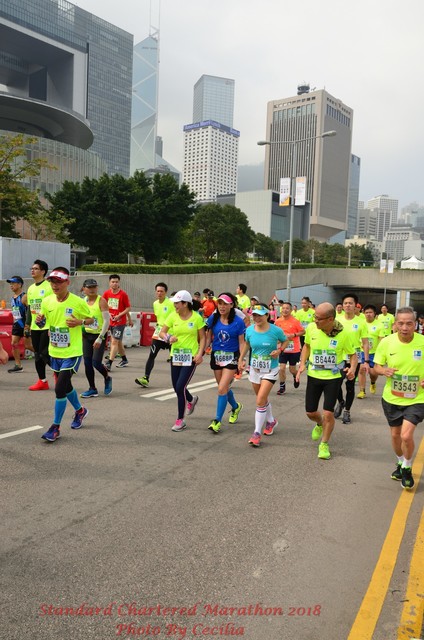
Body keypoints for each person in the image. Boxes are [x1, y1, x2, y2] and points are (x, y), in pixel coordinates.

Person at [36, 267, 95, 443]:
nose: (55, 285)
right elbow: (43, 322)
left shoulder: (77, 302)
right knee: (66, 385)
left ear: (67, 282)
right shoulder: (47, 301)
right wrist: (40, 321)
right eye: (52, 282)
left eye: (59, 282)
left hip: (72, 352)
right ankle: (80, 411)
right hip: (55, 351)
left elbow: (92, 320)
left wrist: (80, 322)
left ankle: (55, 427)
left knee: (60, 388)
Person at [296, 303, 357, 460]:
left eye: (319, 318)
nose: (315, 320)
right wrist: (302, 364)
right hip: (314, 375)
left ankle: (324, 444)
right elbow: (306, 346)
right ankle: (319, 423)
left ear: (330, 319)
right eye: (314, 317)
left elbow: (352, 355)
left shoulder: (343, 333)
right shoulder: (311, 328)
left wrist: (352, 369)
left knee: (328, 413)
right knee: (310, 412)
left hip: (333, 378)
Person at [373, 306, 424, 490]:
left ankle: (408, 468)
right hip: (392, 397)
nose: (404, 327)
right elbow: (376, 366)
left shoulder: (422, 342)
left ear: (415, 324)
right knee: (395, 435)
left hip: (417, 398)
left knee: (406, 435)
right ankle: (401, 462)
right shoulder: (386, 342)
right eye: (401, 323)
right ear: (395, 324)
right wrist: (383, 370)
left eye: (409, 323)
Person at [238, 302, 288, 447]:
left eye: (260, 315)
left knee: (260, 400)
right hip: (255, 370)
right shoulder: (249, 330)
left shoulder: (275, 330)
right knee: (262, 398)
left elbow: (285, 341)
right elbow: (247, 344)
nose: (257, 318)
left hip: (270, 370)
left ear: (267, 315)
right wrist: (241, 359)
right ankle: (271, 421)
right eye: (254, 315)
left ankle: (256, 433)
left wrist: (279, 351)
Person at [159, 290, 206, 432]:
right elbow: (162, 332)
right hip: (176, 356)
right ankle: (191, 399)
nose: (175, 306)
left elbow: (203, 337)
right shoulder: (173, 316)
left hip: (190, 357)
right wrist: (168, 338)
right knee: (177, 387)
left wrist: (200, 354)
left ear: (185, 304)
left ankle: (180, 420)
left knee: (180, 387)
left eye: (177, 303)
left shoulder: (196, 318)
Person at [205, 292, 245, 433]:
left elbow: (242, 342)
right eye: (220, 303)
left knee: (222, 388)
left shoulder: (238, 322)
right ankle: (235, 407)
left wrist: (241, 359)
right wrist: (203, 350)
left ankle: (217, 421)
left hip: (231, 357)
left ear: (231, 305)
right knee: (224, 388)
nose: (222, 306)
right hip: (216, 355)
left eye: (225, 304)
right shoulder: (214, 318)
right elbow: (209, 336)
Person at [334, 293, 369, 424]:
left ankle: (347, 411)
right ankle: (340, 402)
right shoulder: (336, 320)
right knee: (336, 383)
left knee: (350, 385)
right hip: (339, 357)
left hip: (354, 358)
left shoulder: (361, 322)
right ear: (342, 305)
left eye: (350, 303)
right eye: (345, 303)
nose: (348, 305)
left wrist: (366, 361)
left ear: (355, 306)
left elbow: (365, 342)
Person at [135, 282, 173, 388]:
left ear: (166, 292)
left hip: (171, 333)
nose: (159, 293)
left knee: (174, 358)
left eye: (161, 291)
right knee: (152, 355)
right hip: (159, 333)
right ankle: (146, 378)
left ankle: (178, 378)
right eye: (158, 291)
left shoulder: (171, 303)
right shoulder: (155, 303)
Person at [80, 278, 112, 398]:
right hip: (86, 335)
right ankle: (92, 388)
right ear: (84, 289)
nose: (92, 289)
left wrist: (100, 337)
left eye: (94, 287)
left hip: (99, 335)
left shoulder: (101, 301)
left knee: (96, 362)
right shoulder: (82, 301)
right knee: (87, 363)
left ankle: (107, 377)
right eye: (89, 287)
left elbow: (106, 321)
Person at [25, 259, 53, 390]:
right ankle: (42, 381)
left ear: (43, 271)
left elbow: (53, 306)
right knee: (37, 354)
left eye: (36, 268)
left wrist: (53, 325)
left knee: (44, 353)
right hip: (35, 326)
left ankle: (60, 373)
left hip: (47, 326)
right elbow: (30, 308)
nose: (32, 270)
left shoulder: (49, 286)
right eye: (32, 268)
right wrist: (27, 324)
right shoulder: (30, 288)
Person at [102, 274, 132, 370]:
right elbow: (103, 305)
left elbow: (128, 308)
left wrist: (121, 316)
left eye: (116, 282)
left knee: (114, 341)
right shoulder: (106, 293)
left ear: (119, 283)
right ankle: (124, 359)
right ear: (109, 283)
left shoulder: (123, 294)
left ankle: (109, 363)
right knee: (118, 342)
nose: (115, 283)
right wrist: (107, 314)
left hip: (120, 322)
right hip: (110, 321)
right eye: (113, 282)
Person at [275, 302, 305, 395]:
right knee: (282, 368)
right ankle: (282, 386)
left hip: (294, 349)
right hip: (283, 349)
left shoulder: (295, 321)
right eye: (283, 308)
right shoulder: (278, 321)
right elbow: (275, 334)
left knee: (292, 369)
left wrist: (294, 335)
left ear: (291, 310)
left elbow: (303, 331)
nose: (285, 310)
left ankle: (296, 376)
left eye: (287, 308)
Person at [356, 304, 385, 398]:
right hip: (362, 351)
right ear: (364, 313)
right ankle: (362, 391)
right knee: (361, 370)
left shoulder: (380, 325)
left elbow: (381, 340)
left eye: (370, 312)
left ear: (374, 313)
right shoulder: (360, 323)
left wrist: (381, 353)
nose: (368, 314)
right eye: (366, 312)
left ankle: (373, 382)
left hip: (374, 352)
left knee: (373, 373)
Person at [7, 276, 27, 373]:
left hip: (26, 324)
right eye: (10, 283)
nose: (11, 285)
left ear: (19, 284)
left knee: (29, 346)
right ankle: (18, 365)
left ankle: (48, 358)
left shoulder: (24, 296)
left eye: (13, 283)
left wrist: (28, 324)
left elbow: (30, 311)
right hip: (17, 324)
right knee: (14, 343)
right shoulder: (12, 298)